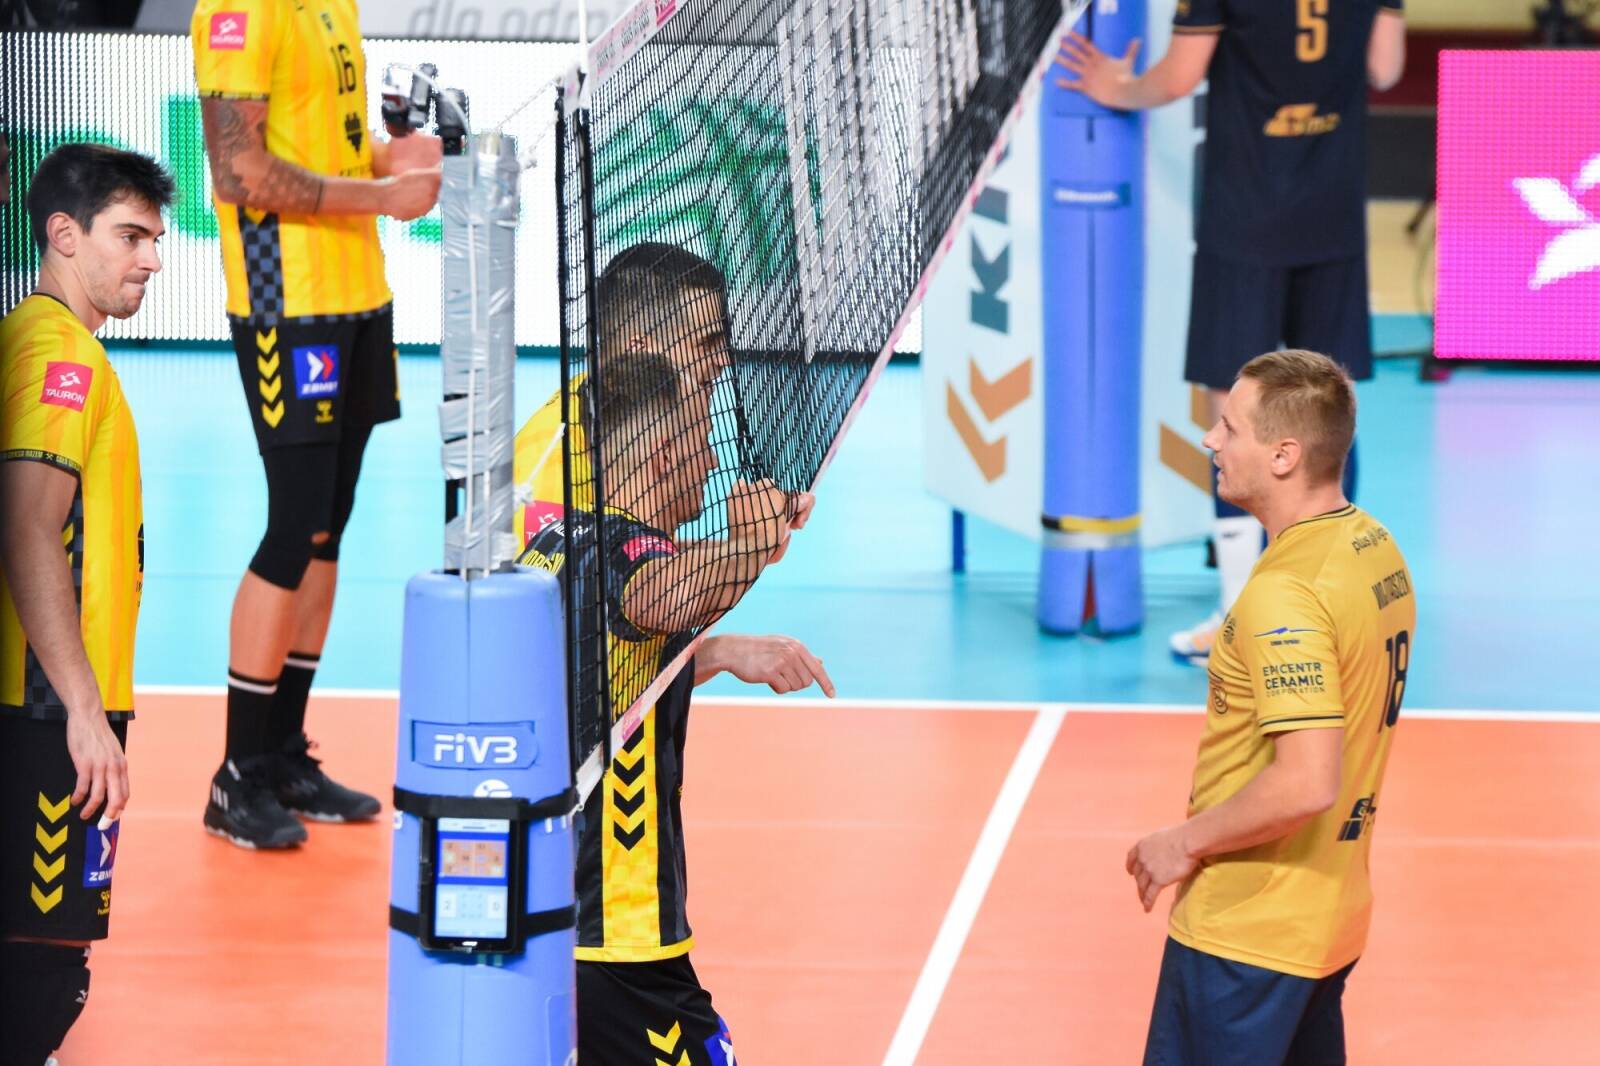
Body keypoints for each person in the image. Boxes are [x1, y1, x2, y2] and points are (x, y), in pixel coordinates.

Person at [1055, 0, 1406, 665]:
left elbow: (1179, 77)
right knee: (1331, 413)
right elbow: (1385, 68)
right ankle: (1326, 615)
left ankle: (1243, 624)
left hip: (1244, 216)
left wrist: (1115, 87)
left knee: (1236, 414)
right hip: (1332, 212)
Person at [520, 353, 830, 1065]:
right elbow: (657, 592)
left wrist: (715, 651)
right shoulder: (630, 553)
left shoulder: (554, 539)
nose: (715, 460)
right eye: (705, 443)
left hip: (549, 916)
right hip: (617, 937)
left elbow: (607, 673)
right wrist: (748, 547)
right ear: (664, 456)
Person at [192, 0, 442, 848]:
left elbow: (326, 146)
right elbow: (239, 170)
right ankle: (236, 776)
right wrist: (380, 193)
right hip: (285, 305)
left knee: (327, 530)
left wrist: (393, 161)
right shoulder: (236, 10)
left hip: (358, 295)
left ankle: (282, 756)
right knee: (293, 525)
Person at [1124, 350, 1415, 1064]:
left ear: (1284, 455)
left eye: (1230, 427)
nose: (1210, 440)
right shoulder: (1374, 547)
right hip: (1328, 921)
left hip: (1248, 933)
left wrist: (1181, 842)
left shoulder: (1285, 592)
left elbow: (1306, 780)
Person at [0, 142, 173, 1066]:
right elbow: (29, 530)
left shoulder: (56, 346)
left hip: (55, 703)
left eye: (156, 239)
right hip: (42, 712)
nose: (152, 259)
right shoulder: (58, 355)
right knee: (43, 971)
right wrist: (80, 710)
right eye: (131, 236)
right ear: (64, 235)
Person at [513, 241, 734, 547]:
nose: (724, 360)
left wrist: (752, 544)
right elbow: (597, 571)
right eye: (706, 344)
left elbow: (633, 554)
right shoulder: (554, 469)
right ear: (639, 348)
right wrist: (749, 548)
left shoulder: (622, 403)